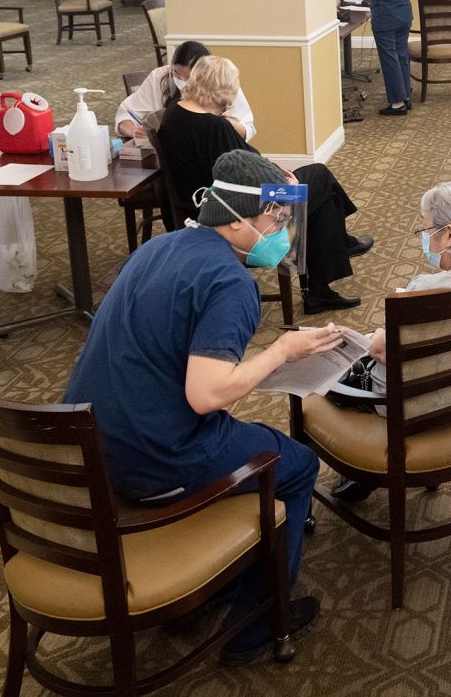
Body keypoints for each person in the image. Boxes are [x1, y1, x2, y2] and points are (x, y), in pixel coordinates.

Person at [63, 149, 345, 666]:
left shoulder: (160, 246)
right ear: (235, 218)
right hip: (154, 459)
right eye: (274, 218)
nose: (282, 229)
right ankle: (259, 624)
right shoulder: (231, 283)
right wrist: (283, 351)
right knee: (298, 466)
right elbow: (206, 395)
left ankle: (217, 575)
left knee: (248, 436)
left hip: (91, 449)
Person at [332, 181, 451, 502]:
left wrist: (377, 339)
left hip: (413, 406)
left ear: (449, 235)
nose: (425, 238)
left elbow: (385, 352)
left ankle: (366, 469)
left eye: (426, 228)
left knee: (332, 370)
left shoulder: (424, 290)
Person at [155, 56, 372, 313]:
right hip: (243, 210)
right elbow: (252, 172)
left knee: (315, 187)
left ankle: (331, 265)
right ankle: (324, 278)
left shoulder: (174, 112)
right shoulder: (214, 128)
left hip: (205, 204)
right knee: (318, 179)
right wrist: (285, 182)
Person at [114, 40, 255, 139]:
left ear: (205, 72)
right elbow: (126, 114)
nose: (182, 81)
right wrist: (133, 131)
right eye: (176, 73)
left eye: (189, 77)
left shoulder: (221, 81)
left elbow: (247, 129)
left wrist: (227, 125)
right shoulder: (161, 77)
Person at [366, 0, 414, 116]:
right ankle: (406, 96)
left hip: (386, 16)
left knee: (390, 59)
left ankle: (397, 103)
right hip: (404, 15)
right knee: (401, 55)